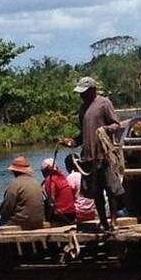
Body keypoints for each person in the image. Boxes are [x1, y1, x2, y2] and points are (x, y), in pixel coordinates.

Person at [64, 76, 124, 230]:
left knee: (111, 189)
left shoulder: (104, 103)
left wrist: (106, 129)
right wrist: (72, 142)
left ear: (92, 90)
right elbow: (83, 134)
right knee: (95, 192)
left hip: (104, 155)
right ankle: (103, 221)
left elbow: (116, 124)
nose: (81, 95)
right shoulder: (82, 109)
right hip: (89, 157)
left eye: (84, 92)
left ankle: (114, 220)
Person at [0, 156, 48, 230]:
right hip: (38, 220)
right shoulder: (36, 182)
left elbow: (5, 209)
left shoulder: (15, 185)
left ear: (14, 171)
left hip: (22, 222)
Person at [40, 158, 81, 226]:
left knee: (46, 202)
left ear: (45, 171)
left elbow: (51, 202)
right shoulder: (63, 177)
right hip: (72, 214)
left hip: (61, 215)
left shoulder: (50, 180)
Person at [61, 154, 99, 224]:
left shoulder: (71, 177)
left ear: (68, 166)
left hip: (79, 213)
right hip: (92, 211)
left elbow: (68, 198)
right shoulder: (88, 174)